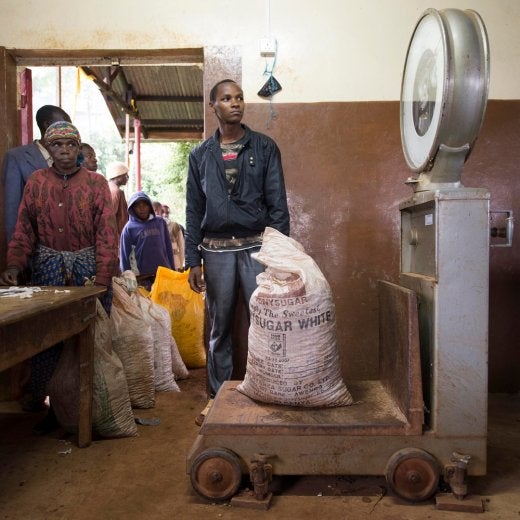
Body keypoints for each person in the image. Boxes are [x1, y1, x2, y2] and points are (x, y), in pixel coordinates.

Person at [0, 121, 118, 433]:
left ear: (79, 148)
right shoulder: (37, 182)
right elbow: (24, 229)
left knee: (88, 339)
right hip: (47, 270)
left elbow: (107, 235)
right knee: (47, 340)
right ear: (48, 150)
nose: (64, 150)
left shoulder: (96, 184)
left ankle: (90, 408)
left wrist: (103, 278)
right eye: (57, 145)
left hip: (88, 272)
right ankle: (51, 408)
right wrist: (14, 264)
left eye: (71, 145)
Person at [185, 79, 290, 424]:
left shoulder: (264, 147)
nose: (236, 104)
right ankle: (218, 398)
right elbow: (193, 209)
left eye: (240, 98)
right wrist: (192, 260)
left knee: (265, 321)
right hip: (215, 252)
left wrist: (278, 254)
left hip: (256, 247)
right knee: (220, 326)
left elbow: (278, 205)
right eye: (227, 99)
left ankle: (270, 392)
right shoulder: (200, 155)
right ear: (213, 106)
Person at [2, 104, 71, 242]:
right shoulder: (17, 158)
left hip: (68, 249)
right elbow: (12, 211)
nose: (69, 130)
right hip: (34, 248)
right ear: (48, 125)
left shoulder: (69, 159)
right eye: (64, 125)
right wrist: (18, 255)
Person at [120, 191, 175, 289]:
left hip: (164, 273)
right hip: (142, 278)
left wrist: (172, 270)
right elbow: (125, 257)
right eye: (138, 206)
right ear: (132, 209)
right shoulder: (129, 229)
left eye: (145, 204)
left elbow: (168, 248)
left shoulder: (160, 223)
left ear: (150, 206)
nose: (142, 208)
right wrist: (128, 282)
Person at [106, 161, 130, 238]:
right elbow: (110, 216)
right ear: (117, 175)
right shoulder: (115, 191)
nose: (128, 177)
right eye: (125, 175)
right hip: (115, 236)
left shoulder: (111, 188)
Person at [162, 204, 185, 271]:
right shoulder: (155, 227)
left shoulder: (175, 226)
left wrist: (181, 265)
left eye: (167, 212)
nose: (165, 215)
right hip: (161, 265)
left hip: (175, 263)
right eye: (162, 212)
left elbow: (181, 246)